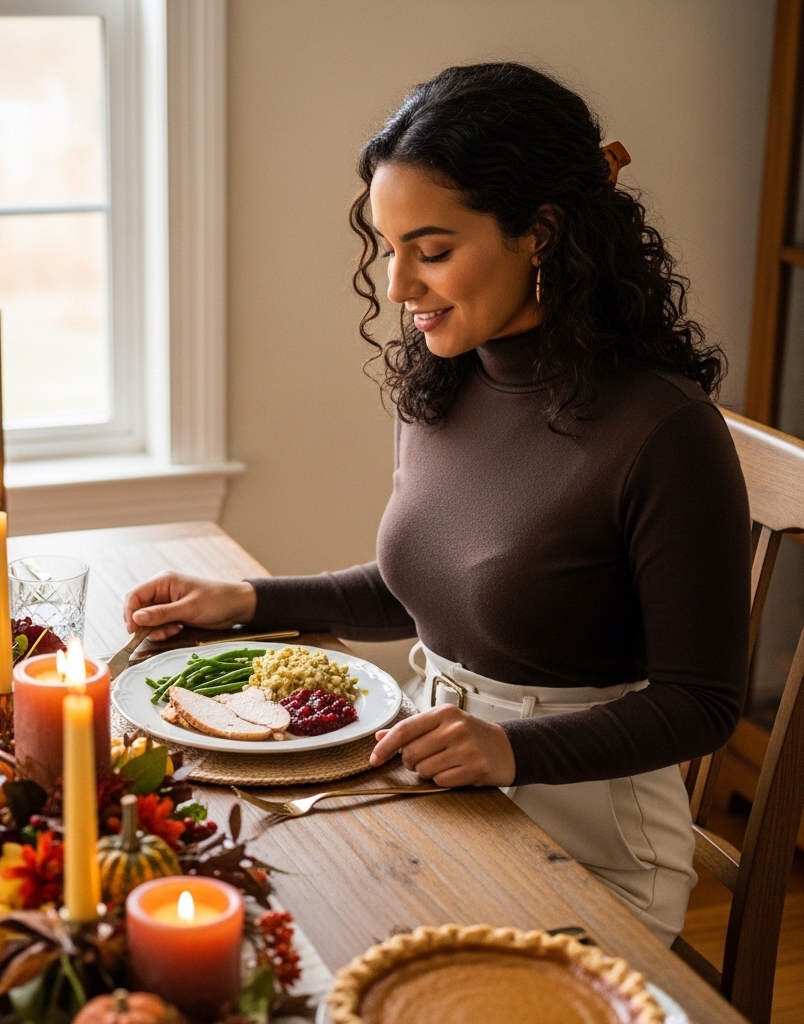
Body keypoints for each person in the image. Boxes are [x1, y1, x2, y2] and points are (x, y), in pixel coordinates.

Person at [123, 63, 751, 946]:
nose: (397, 286)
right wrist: (251, 602)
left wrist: (511, 751)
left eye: (433, 249)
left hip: (588, 833)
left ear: (541, 233)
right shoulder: (445, 382)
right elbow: (424, 585)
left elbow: (703, 702)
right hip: (443, 774)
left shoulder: (664, 431)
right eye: (388, 247)